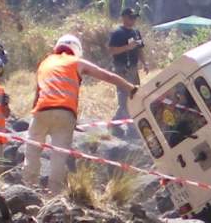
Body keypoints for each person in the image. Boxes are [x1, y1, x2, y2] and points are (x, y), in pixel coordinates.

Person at [23, 35, 137, 194]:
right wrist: (131, 88)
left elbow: (37, 93)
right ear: (76, 50)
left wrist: (35, 114)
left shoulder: (45, 63)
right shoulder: (77, 62)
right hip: (65, 114)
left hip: (41, 110)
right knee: (59, 156)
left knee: (32, 151)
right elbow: (107, 76)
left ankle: (28, 188)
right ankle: (53, 193)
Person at [108, 7, 148, 135]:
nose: (133, 20)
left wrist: (145, 63)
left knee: (134, 95)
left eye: (135, 17)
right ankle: (129, 127)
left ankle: (117, 123)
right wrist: (127, 47)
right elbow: (112, 50)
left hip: (133, 69)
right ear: (124, 17)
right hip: (122, 69)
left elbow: (139, 49)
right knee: (124, 98)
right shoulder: (117, 33)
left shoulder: (136, 32)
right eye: (131, 17)